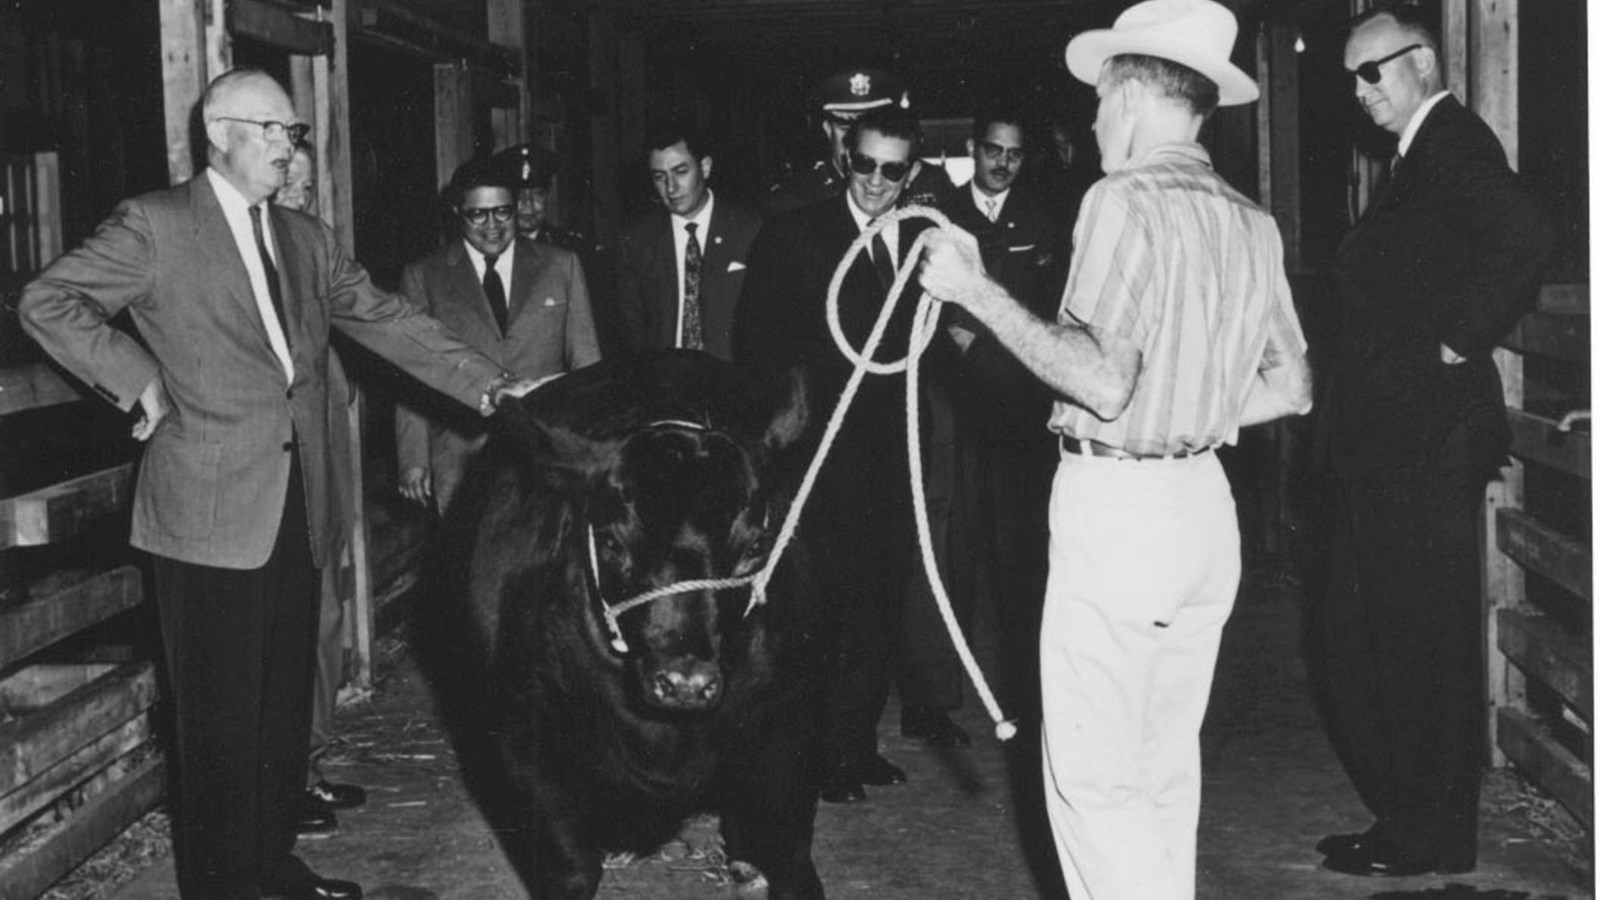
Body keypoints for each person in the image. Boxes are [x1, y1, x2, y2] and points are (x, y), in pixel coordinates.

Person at [18, 68, 540, 900]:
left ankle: (271, 872)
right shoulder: (156, 225)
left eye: (294, 133)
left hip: (297, 506)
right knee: (219, 725)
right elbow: (51, 300)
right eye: (274, 131)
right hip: (204, 511)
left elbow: (385, 317)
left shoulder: (303, 237)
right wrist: (136, 375)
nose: (289, 147)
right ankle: (224, 888)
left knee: (276, 713)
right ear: (220, 132)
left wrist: (490, 384)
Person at [917, 1, 1312, 896]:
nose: (1092, 123)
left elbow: (1098, 380)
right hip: (1206, 509)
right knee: (1164, 772)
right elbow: (1293, 387)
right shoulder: (1252, 221)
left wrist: (975, 291)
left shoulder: (1120, 199)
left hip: (1121, 512)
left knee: (1094, 782)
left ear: (1131, 97)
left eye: (1098, 102)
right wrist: (1194, 414)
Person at [1311, 4, 1552, 878]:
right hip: (1398, 440)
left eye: (1373, 71)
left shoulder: (1450, 142)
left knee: (1415, 640)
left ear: (1421, 63)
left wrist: (1454, 341)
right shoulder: (1418, 155)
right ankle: (1413, 818)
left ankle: (1427, 832)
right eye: (1352, 79)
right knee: (1383, 635)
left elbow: (1526, 232)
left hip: (1423, 438)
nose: (1362, 90)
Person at [735, 107, 939, 804]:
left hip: (896, 452)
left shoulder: (924, 241)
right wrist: (791, 420)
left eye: (893, 169)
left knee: (884, 599)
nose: (877, 181)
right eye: (865, 164)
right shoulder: (796, 234)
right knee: (828, 607)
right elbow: (756, 342)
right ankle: (821, 753)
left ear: (909, 172)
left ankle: (857, 742)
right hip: (822, 455)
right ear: (844, 159)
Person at [899, 108, 1071, 746]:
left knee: (1024, 558)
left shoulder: (1046, 219)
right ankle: (931, 704)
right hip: (954, 407)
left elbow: (1054, 313)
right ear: (974, 151)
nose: (1002, 163)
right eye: (993, 151)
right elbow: (932, 318)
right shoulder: (940, 221)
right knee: (946, 555)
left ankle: (1029, 698)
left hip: (1024, 414)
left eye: (1015, 153)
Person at [396, 159, 601, 515]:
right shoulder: (424, 276)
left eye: (503, 212)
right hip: (461, 455)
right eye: (479, 215)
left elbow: (588, 367)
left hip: (548, 453)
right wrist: (413, 458)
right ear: (458, 211)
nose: (492, 226)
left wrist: (596, 449)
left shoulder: (561, 265)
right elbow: (411, 372)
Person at [272, 142, 369, 839]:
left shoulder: (312, 258)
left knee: (327, 620)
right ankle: (283, 779)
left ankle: (309, 759)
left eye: (310, 190)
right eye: (294, 187)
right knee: (289, 631)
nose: (306, 202)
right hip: (279, 489)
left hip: (328, 478)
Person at [615, 120, 761, 361]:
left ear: (705, 167)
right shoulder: (636, 242)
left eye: (681, 172)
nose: (670, 188)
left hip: (733, 383)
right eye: (659, 177)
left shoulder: (749, 229)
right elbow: (633, 332)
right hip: (665, 385)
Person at [760, 66, 954, 217]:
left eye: (872, 129)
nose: (857, 140)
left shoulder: (929, 181)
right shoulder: (794, 198)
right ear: (827, 129)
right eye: (846, 127)